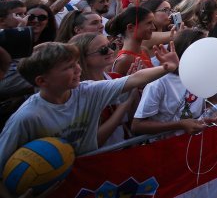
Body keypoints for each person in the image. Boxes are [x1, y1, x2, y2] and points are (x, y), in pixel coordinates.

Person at [0, 41, 179, 197]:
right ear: (42, 81)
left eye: (76, 63)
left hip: (89, 175)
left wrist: (165, 68)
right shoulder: (27, 117)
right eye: (68, 67)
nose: (78, 69)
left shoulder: (87, 91)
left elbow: (133, 79)